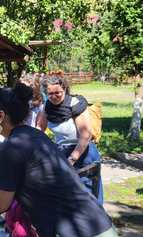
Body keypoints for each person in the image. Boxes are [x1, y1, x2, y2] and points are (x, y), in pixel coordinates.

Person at [0, 83, 117, 237]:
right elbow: (10, 189)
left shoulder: (9, 149)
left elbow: (0, 204)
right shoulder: (36, 136)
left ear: (1, 115)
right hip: (100, 224)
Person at [37, 71, 104, 204]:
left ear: (65, 89)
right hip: (62, 152)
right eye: (50, 93)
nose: (54, 96)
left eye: (58, 93)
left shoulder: (76, 105)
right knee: (66, 195)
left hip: (84, 154)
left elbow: (86, 136)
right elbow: (40, 128)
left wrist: (71, 160)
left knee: (89, 197)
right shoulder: (47, 106)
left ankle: (97, 223)